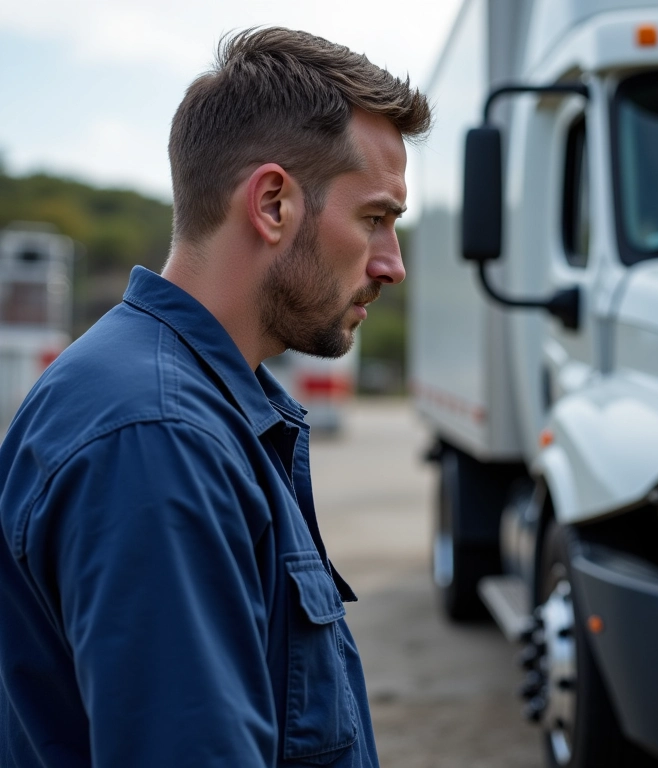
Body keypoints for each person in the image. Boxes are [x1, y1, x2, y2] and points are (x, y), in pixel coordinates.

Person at [0, 27, 431, 767]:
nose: (391, 265)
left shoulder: (183, 403)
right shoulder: (157, 437)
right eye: (375, 219)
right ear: (272, 204)